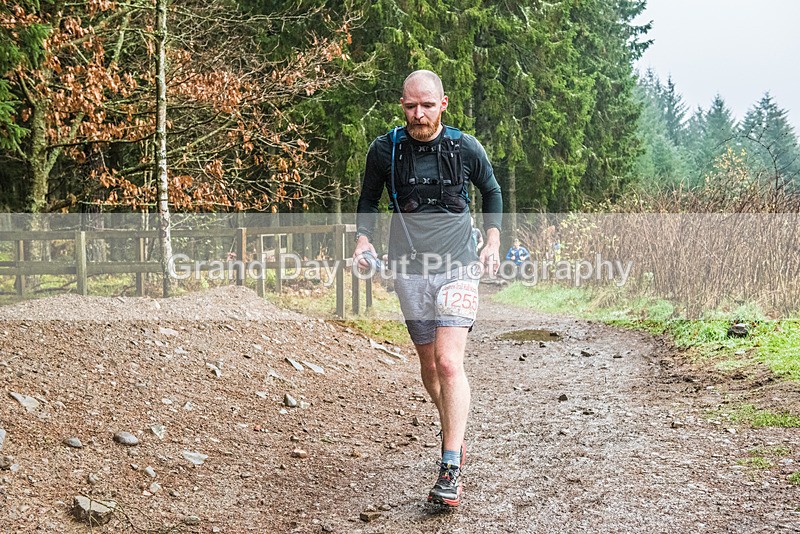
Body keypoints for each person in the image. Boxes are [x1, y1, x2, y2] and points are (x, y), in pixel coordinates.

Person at [353, 70, 502, 507]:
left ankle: (450, 465)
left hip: (458, 266)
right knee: (430, 368)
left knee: (448, 362)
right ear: (402, 105)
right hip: (408, 270)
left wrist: (492, 240)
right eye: (410, 106)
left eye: (427, 106)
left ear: (444, 104)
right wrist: (362, 239)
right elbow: (368, 200)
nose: (418, 115)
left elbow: (491, 190)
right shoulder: (385, 150)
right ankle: (454, 430)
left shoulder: (464, 147)